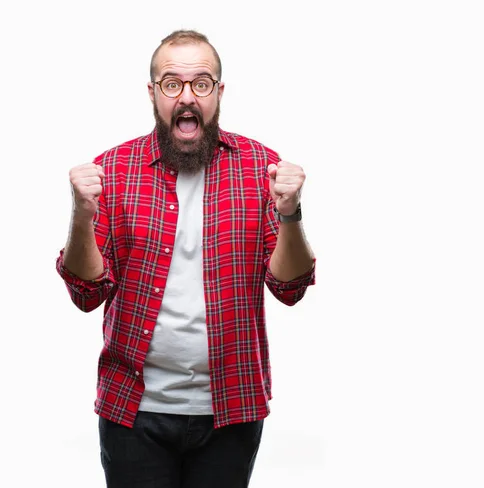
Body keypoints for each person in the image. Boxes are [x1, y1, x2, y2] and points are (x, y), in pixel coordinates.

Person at [55, 29, 315, 488]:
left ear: (219, 91)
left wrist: (290, 213)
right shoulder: (112, 170)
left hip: (231, 410)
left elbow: (289, 288)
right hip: (133, 411)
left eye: (201, 83)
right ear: (153, 93)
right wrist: (81, 215)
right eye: (172, 84)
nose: (187, 97)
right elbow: (85, 293)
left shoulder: (263, 168)